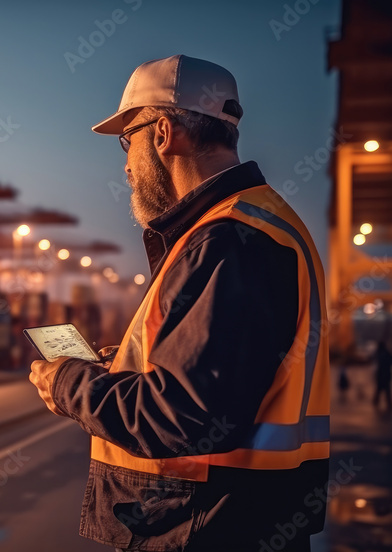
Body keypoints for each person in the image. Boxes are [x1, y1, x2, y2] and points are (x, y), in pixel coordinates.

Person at [28, 55, 330, 551]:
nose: (125, 164)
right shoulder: (253, 225)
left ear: (164, 132)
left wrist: (69, 383)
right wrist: (117, 369)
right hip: (240, 519)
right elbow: (210, 381)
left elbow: (183, 417)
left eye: (129, 141)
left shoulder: (228, 241)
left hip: (207, 525)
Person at [374, 340, 392, 410]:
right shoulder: (387, 353)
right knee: (386, 390)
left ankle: (376, 401)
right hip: (386, 374)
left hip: (381, 374)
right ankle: (388, 403)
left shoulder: (380, 354)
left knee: (379, 389)